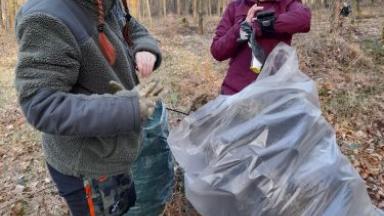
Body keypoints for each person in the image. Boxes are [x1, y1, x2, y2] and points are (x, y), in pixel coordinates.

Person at [14, 0, 173, 215]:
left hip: (115, 152)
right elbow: (41, 105)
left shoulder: (108, 3)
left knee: (124, 207)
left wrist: (145, 46)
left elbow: (130, 25)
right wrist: (128, 109)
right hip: (89, 167)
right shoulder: (46, 18)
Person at [211, 0, 311, 95]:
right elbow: (217, 50)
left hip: (274, 89)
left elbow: (303, 19)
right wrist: (241, 29)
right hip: (235, 91)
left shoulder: (286, 2)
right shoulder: (235, 6)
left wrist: (263, 25)